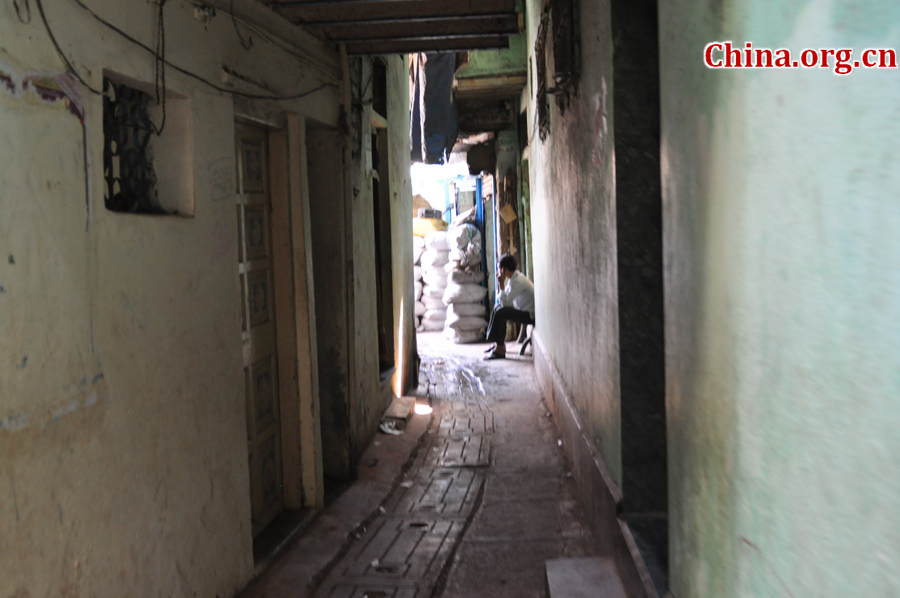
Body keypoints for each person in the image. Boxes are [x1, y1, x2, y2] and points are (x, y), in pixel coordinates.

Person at [484, 254, 535, 360]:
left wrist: (501, 284)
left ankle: (500, 349)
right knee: (497, 308)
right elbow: (502, 299)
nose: (498, 271)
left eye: (499, 268)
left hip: (529, 315)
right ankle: (497, 343)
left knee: (501, 311)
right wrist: (500, 285)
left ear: (504, 270)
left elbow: (506, 303)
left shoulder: (517, 282)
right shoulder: (513, 278)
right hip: (523, 311)